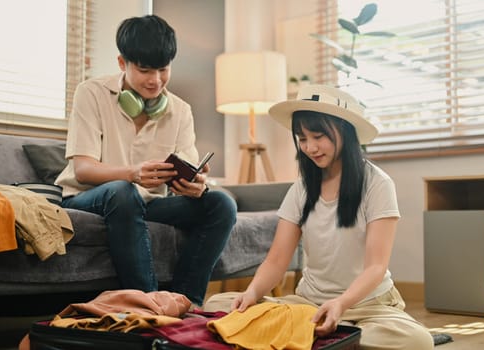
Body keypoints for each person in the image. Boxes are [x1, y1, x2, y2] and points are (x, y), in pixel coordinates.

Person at [204, 85, 434, 349]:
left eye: (318, 136)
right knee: (218, 304)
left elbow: (375, 267)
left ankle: (314, 337)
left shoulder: (378, 184)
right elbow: (277, 260)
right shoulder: (300, 189)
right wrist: (252, 293)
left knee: (419, 341)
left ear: (345, 132)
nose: (310, 147)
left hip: (367, 306)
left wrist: (340, 304)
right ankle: (332, 339)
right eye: (302, 139)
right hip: (308, 304)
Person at [55, 14, 237, 307]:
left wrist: (195, 185)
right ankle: (150, 305)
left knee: (221, 203)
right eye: (144, 70)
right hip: (90, 199)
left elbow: (185, 176)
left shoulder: (180, 110)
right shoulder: (91, 93)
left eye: (163, 70)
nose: (155, 80)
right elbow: (84, 169)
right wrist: (132, 173)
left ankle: (185, 302)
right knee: (122, 191)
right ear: (121, 63)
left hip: (145, 204)